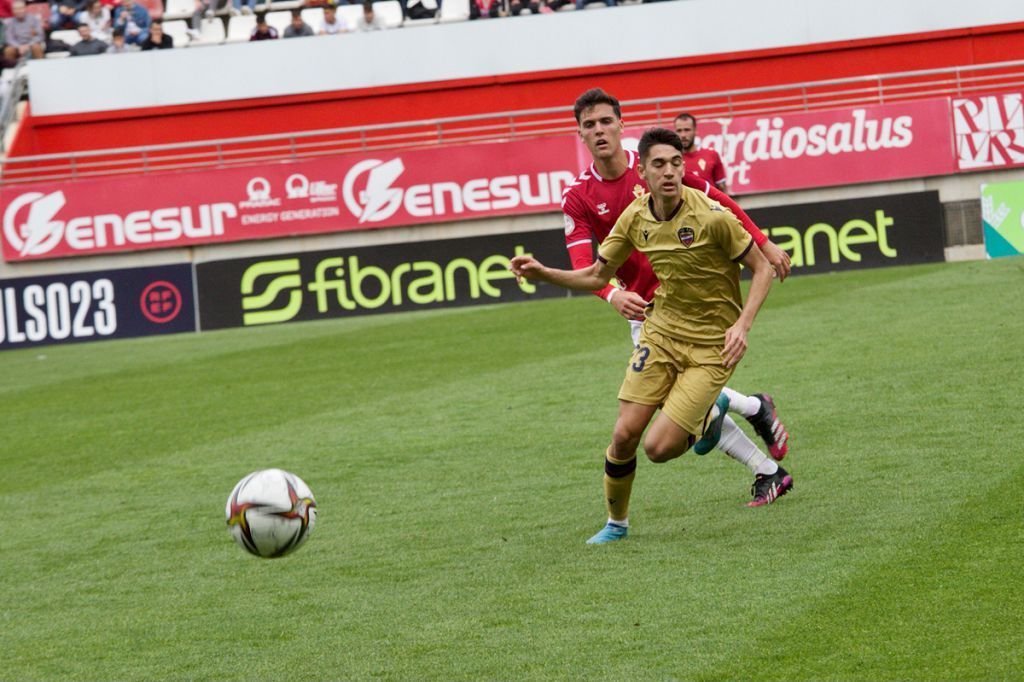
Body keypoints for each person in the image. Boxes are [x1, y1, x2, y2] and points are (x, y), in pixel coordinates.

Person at [512, 127, 780, 544]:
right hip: (661, 333)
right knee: (623, 434)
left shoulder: (711, 215)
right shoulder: (635, 216)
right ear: (643, 171)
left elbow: (761, 268)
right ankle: (616, 524)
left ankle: (716, 411)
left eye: (676, 163)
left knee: (658, 448)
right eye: (659, 164)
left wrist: (741, 325)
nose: (670, 172)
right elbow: (598, 274)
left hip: (712, 346)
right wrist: (544, 273)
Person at [563, 88, 791, 501]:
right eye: (589, 125)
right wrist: (613, 295)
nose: (599, 131)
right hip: (649, 315)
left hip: (693, 308)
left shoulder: (655, 163)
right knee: (684, 409)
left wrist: (763, 242)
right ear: (579, 134)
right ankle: (762, 439)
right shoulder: (578, 197)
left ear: (620, 124)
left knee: (681, 415)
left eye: (605, 122)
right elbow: (588, 267)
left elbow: (716, 201)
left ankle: (764, 451)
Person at [675, 112, 729, 193]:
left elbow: (722, 189)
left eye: (687, 130)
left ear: (695, 131)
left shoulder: (711, 154)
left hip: (709, 205)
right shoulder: (673, 160)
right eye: (679, 130)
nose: (683, 135)